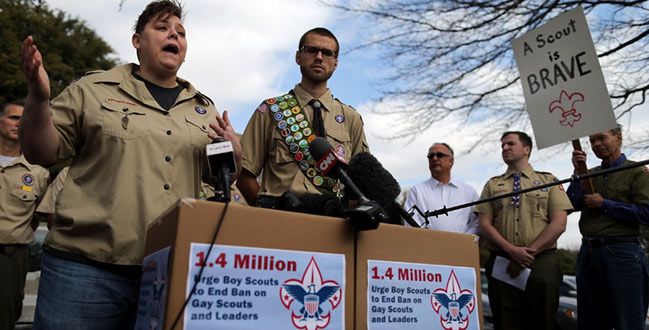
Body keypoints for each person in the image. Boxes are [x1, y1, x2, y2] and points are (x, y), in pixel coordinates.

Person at [20, 1, 241, 328]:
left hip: (168, 271)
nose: (174, 36)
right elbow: (42, 152)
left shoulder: (203, 108)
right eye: (162, 28)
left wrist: (233, 154)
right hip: (86, 270)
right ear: (137, 40)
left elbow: (220, 178)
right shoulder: (92, 89)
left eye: (180, 32)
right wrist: (38, 99)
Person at [237, 27, 369, 205]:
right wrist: (267, 215)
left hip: (334, 222)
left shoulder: (351, 118)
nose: (319, 57)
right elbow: (244, 175)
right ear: (298, 57)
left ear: (335, 63)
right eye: (312, 50)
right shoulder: (270, 110)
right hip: (280, 219)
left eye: (327, 53)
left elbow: (362, 183)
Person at [475, 131, 572, 330]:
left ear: (526, 149)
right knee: (505, 321)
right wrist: (512, 251)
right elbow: (484, 224)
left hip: (541, 260)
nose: (505, 148)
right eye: (502, 145)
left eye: (510, 143)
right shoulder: (492, 185)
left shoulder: (549, 181)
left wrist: (528, 253)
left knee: (543, 320)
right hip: (503, 260)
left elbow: (559, 223)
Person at [567, 126, 649, 330]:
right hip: (588, 253)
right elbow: (569, 205)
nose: (596, 144)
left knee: (627, 320)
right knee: (590, 321)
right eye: (592, 141)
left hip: (622, 252)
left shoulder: (637, 171)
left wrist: (605, 204)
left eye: (601, 138)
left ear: (618, 137)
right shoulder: (589, 174)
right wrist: (578, 173)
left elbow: (646, 213)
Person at [0, 102, 49, 330]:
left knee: (6, 315)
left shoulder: (37, 172)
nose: (18, 123)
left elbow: (37, 215)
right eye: (13, 118)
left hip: (10, 257)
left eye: (23, 120)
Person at [404, 142, 479, 233]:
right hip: (427, 245)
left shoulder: (469, 192)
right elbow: (410, 222)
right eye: (431, 156)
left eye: (439, 155)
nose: (435, 158)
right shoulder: (416, 191)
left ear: (451, 161)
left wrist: (462, 242)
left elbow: (477, 223)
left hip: (462, 245)